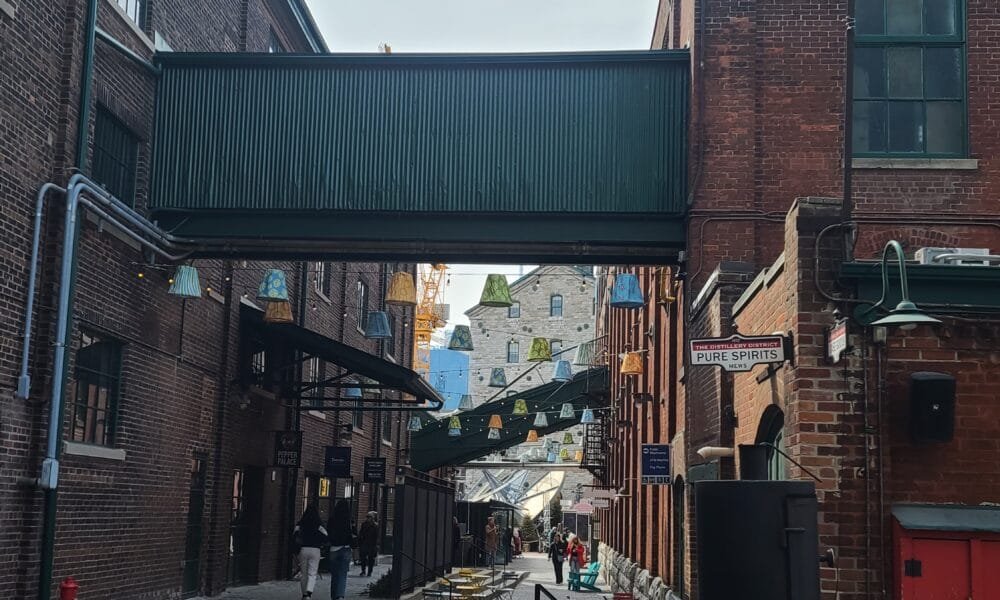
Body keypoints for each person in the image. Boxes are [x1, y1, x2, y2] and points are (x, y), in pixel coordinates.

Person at [293, 504, 328, 599]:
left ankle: (304, 594)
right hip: (315, 549)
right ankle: (309, 592)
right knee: (312, 573)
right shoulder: (319, 524)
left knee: (303, 573)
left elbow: (294, 536)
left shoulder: (300, 524)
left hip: (303, 549)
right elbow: (326, 537)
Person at [328, 500, 355, 600]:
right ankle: (340, 595)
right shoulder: (349, 520)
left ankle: (334, 595)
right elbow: (353, 534)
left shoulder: (332, 519)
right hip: (346, 548)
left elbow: (328, 533)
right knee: (343, 574)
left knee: (334, 574)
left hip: (334, 549)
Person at [357, 511, 379, 577]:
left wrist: (376, 545)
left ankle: (369, 572)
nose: (367, 518)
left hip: (372, 544)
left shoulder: (375, 525)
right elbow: (361, 533)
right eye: (367, 517)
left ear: (372, 518)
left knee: (371, 559)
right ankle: (363, 571)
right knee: (363, 558)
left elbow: (377, 536)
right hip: (364, 543)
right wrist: (360, 540)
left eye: (369, 517)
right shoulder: (364, 524)